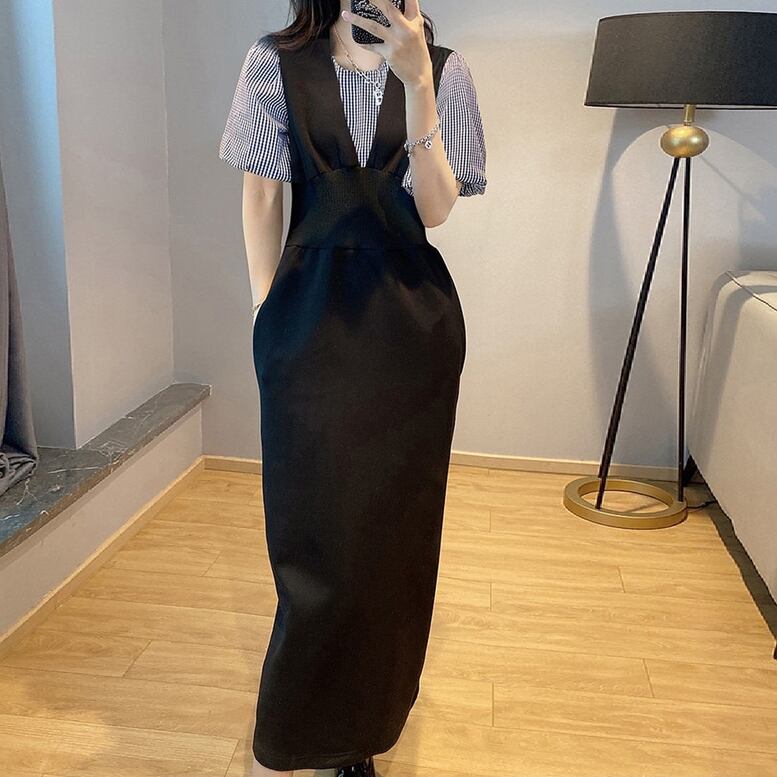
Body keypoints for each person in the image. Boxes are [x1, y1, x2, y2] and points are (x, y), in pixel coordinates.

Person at [218, 1, 486, 775]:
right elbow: (261, 193)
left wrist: (419, 85)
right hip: (306, 319)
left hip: (410, 331)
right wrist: (264, 309)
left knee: (391, 539)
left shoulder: (446, 70)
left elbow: (434, 207)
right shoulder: (275, 61)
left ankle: (360, 732)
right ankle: (296, 728)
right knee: (312, 532)